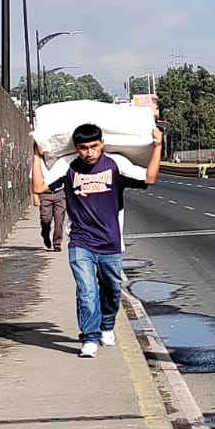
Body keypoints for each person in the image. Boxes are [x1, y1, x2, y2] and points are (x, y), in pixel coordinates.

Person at [60, 121, 163, 357]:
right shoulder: (68, 167)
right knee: (86, 291)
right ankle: (89, 337)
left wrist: (158, 146)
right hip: (80, 241)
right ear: (76, 148)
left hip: (110, 243)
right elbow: (39, 185)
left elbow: (149, 178)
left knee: (112, 290)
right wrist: (36, 152)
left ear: (102, 144)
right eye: (83, 148)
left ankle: (107, 326)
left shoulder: (116, 164)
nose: (89, 152)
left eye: (94, 146)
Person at [31, 144, 66, 251]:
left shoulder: (61, 161)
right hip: (45, 194)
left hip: (59, 192)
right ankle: (45, 231)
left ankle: (57, 243)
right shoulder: (39, 162)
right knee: (46, 218)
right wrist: (35, 196)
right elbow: (33, 180)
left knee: (59, 219)